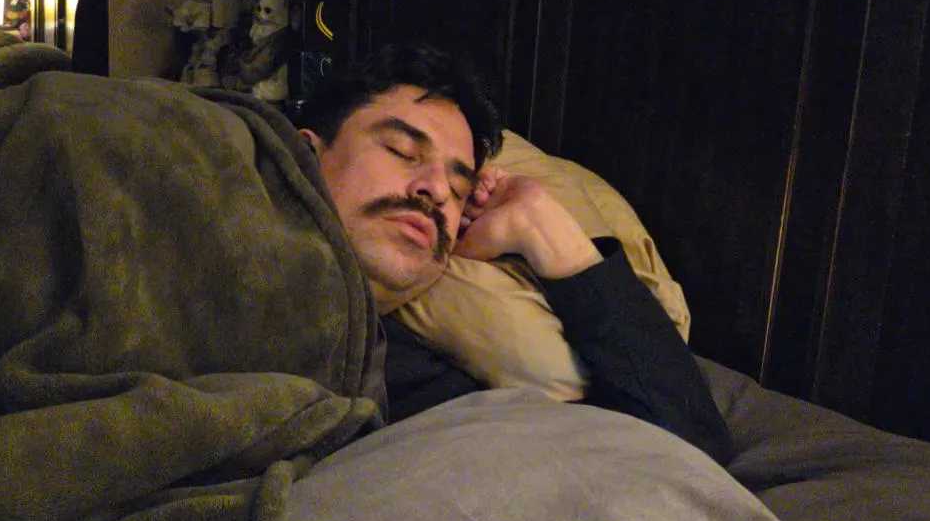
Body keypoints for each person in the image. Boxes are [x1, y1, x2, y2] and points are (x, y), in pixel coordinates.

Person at [295, 43, 733, 466]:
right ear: (306, 153)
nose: (436, 189)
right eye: (402, 151)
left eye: (459, 190)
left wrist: (542, 229)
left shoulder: (423, 382)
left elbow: (687, 449)